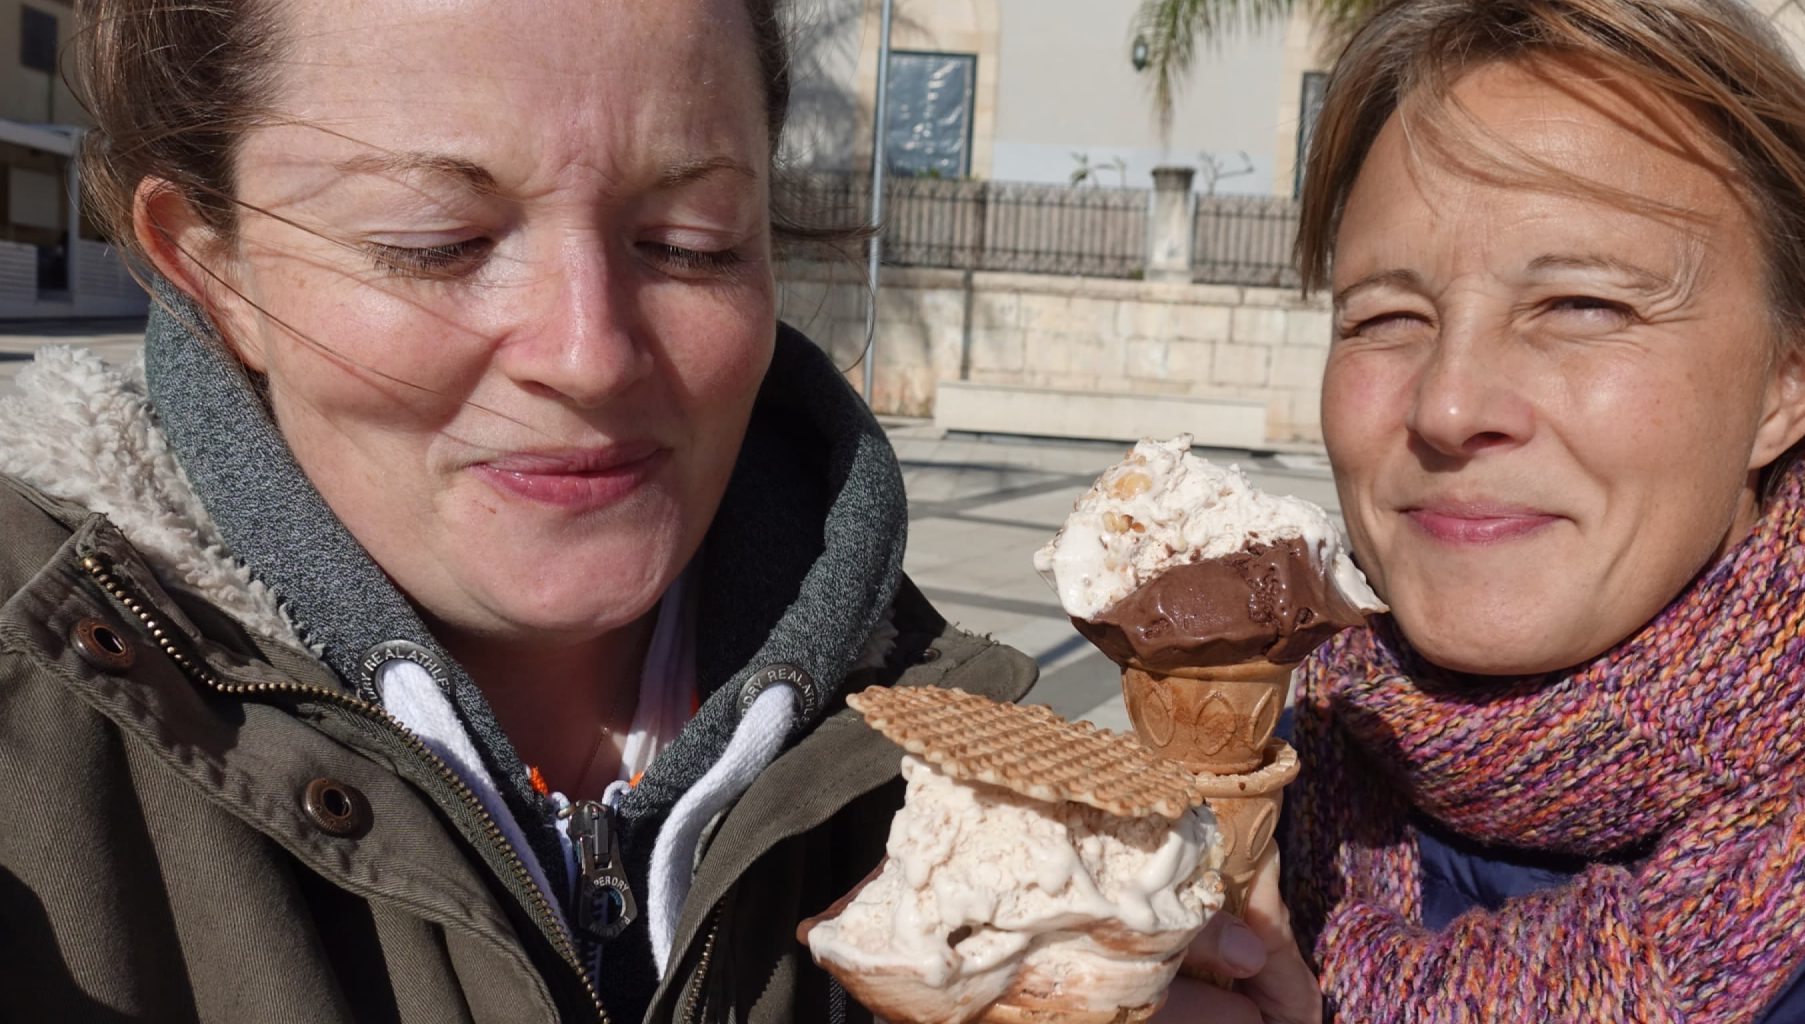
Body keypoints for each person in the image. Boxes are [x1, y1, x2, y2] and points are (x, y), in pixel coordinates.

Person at [0, 0, 1060, 1021]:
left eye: (693, 240)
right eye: (439, 241)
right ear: (210, 269)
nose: (589, 355)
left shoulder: (984, 790)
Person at [1248, 1, 1805, 1022]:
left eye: (1581, 306)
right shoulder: (1247, 808)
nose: (1448, 405)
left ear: (1790, 376)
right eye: (1387, 317)